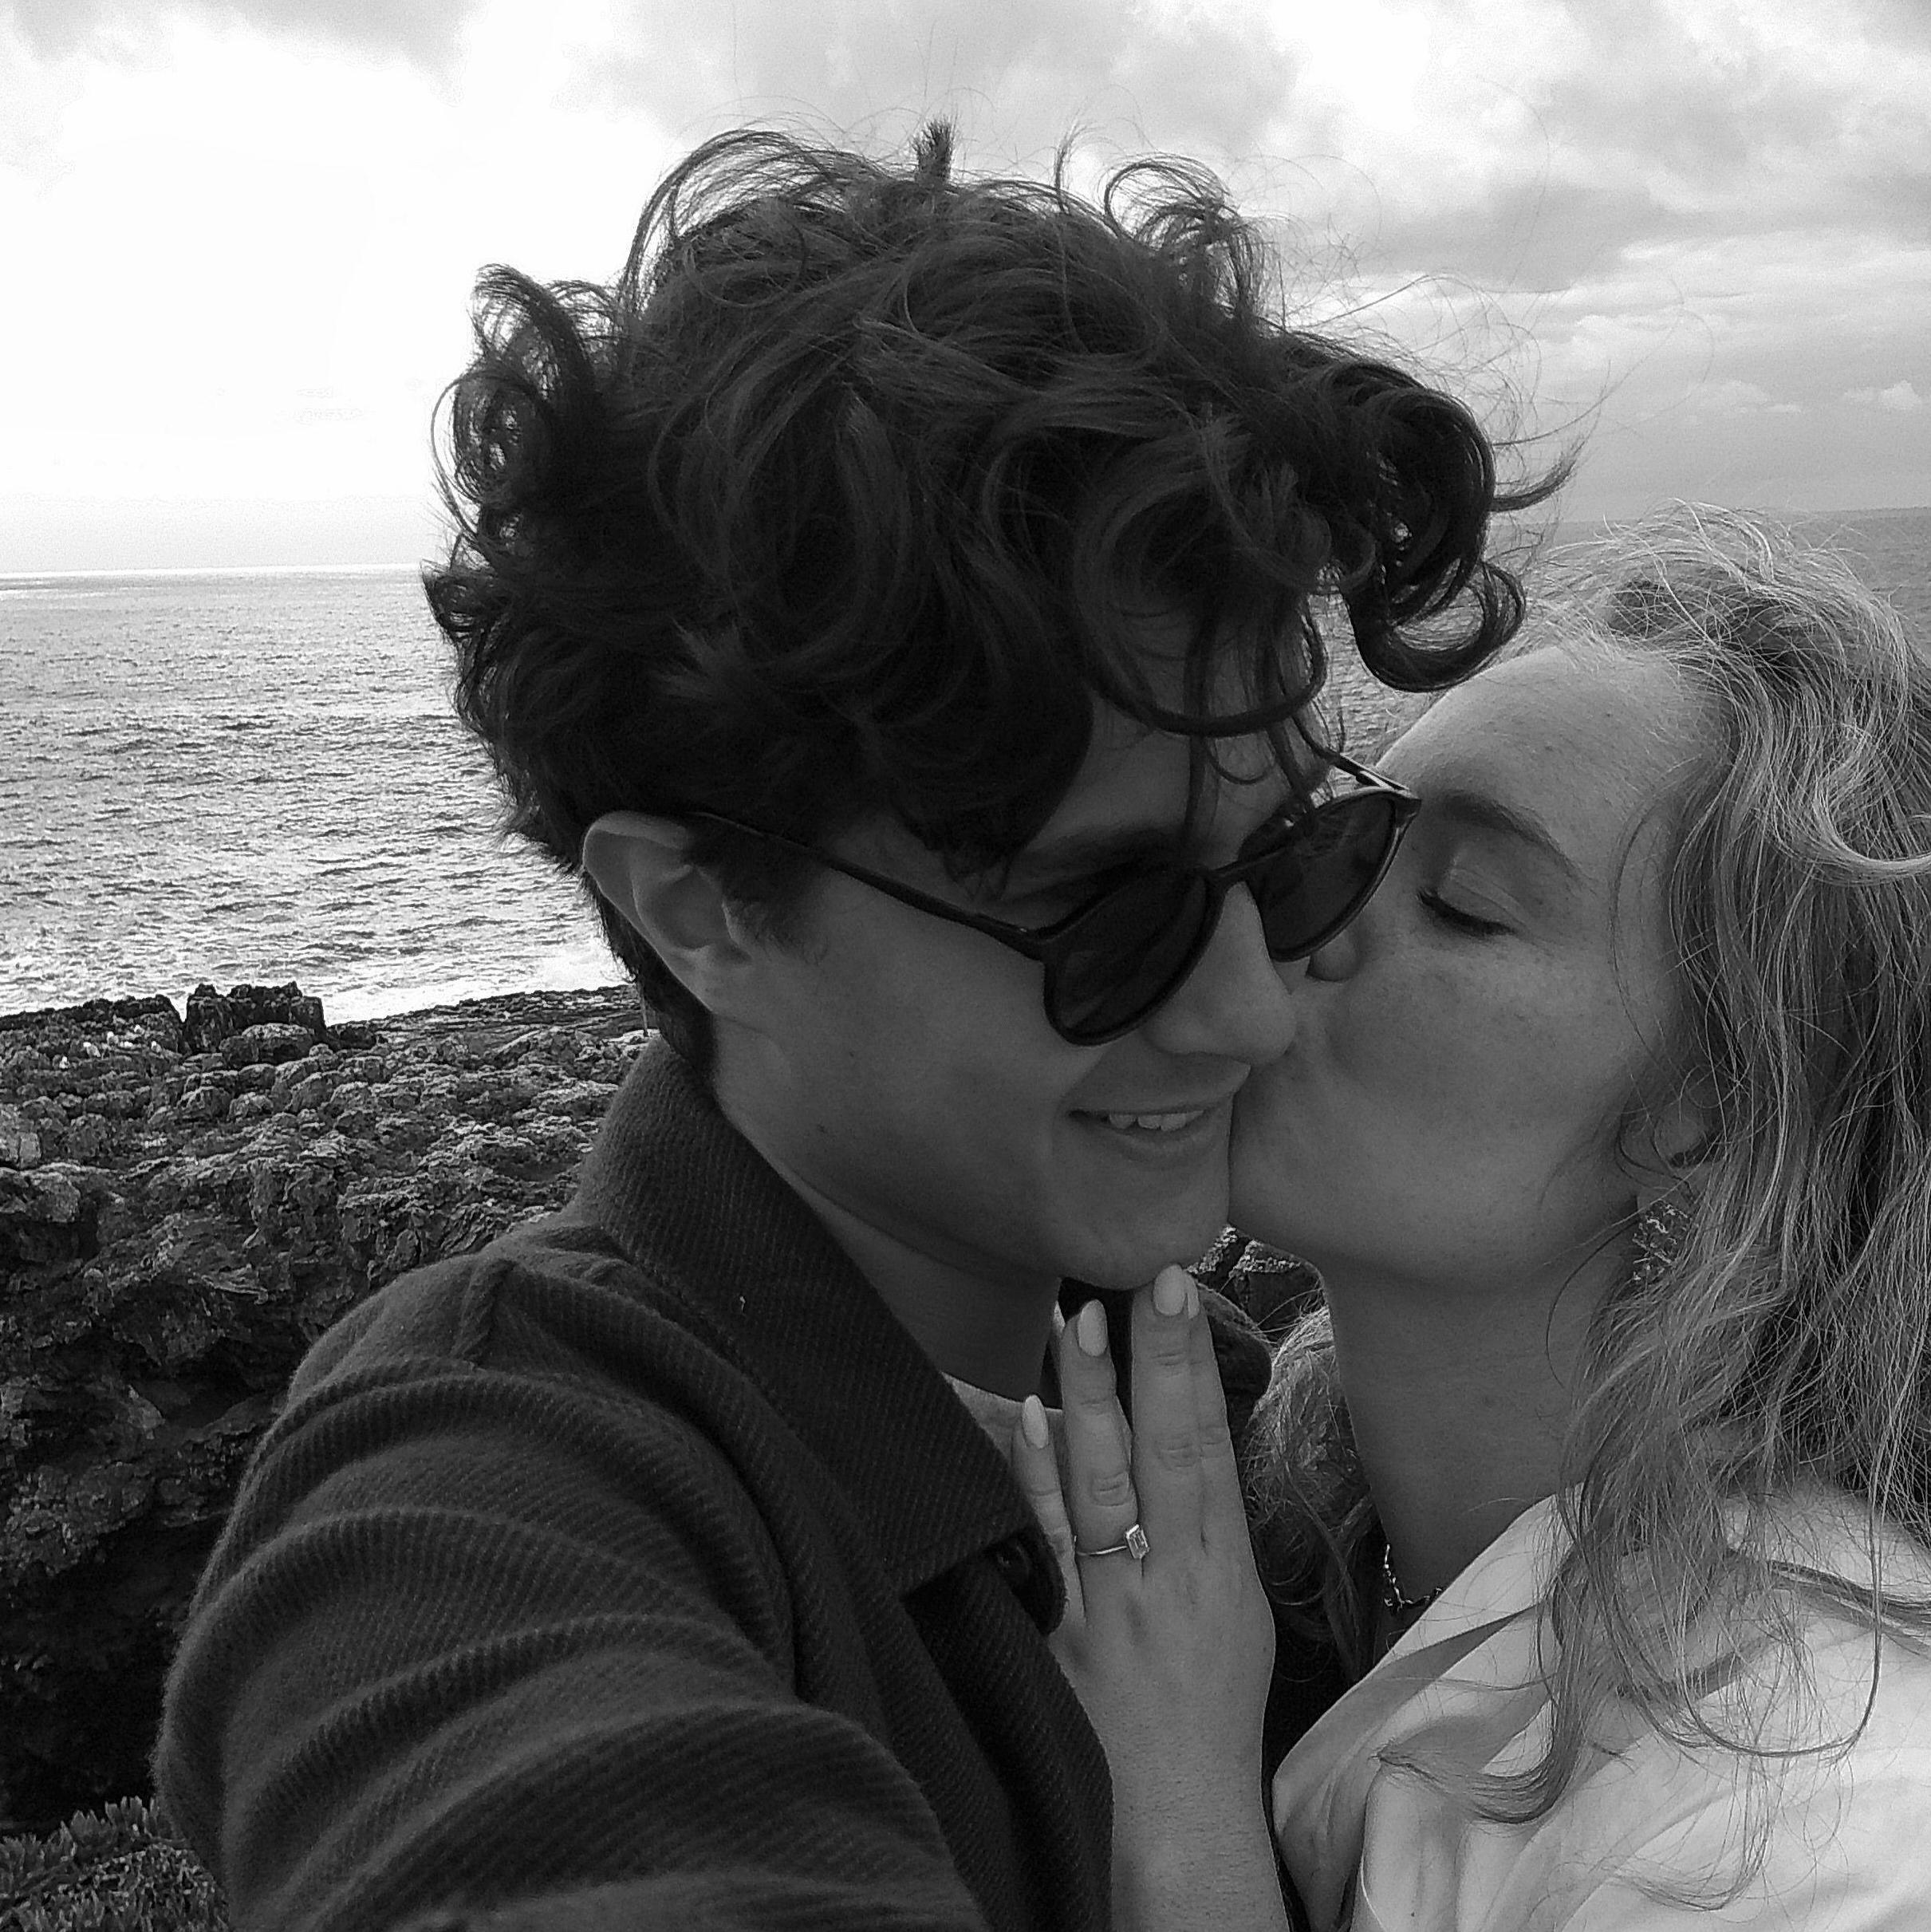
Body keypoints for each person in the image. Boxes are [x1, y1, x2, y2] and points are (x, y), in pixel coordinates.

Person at [152, 122, 1542, 1930]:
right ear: (702, 910)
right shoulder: (487, 1495)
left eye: (1287, 859)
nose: (1248, 1003)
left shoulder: (1196, 1398)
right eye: (1097, 910)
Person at [1023, 505, 1931, 1930]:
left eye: (1457, 902)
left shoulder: (1814, 1828)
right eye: (1333, 837)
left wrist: (1181, 1823)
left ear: (1709, 1119)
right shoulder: (1296, 1534)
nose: (1280, 916)